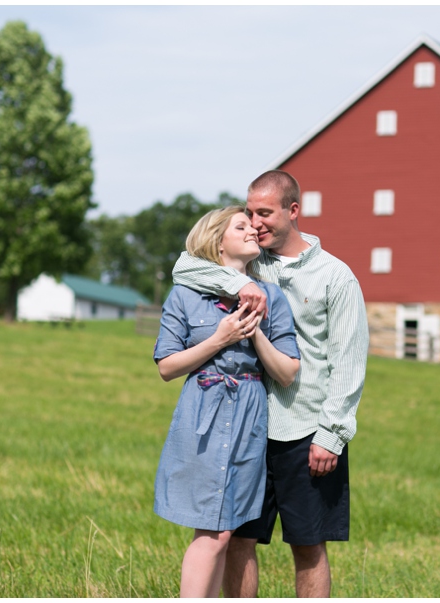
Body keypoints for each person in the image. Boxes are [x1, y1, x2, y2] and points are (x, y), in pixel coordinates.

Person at [171, 170, 369, 598]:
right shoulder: (250, 261)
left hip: (307, 430)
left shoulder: (336, 277)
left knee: (308, 545)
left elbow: (349, 362)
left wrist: (331, 436)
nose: (255, 222)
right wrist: (241, 281)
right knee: (239, 538)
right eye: (249, 213)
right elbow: (185, 264)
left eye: (264, 213)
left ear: (293, 211)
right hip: (246, 427)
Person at [153, 205, 300, 598]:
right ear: (219, 242)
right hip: (204, 410)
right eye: (242, 226)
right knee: (214, 531)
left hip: (250, 417)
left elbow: (287, 372)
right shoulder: (185, 294)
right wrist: (219, 338)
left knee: (227, 529)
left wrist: (254, 333)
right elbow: (167, 367)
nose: (254, 230)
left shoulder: (272, 297)